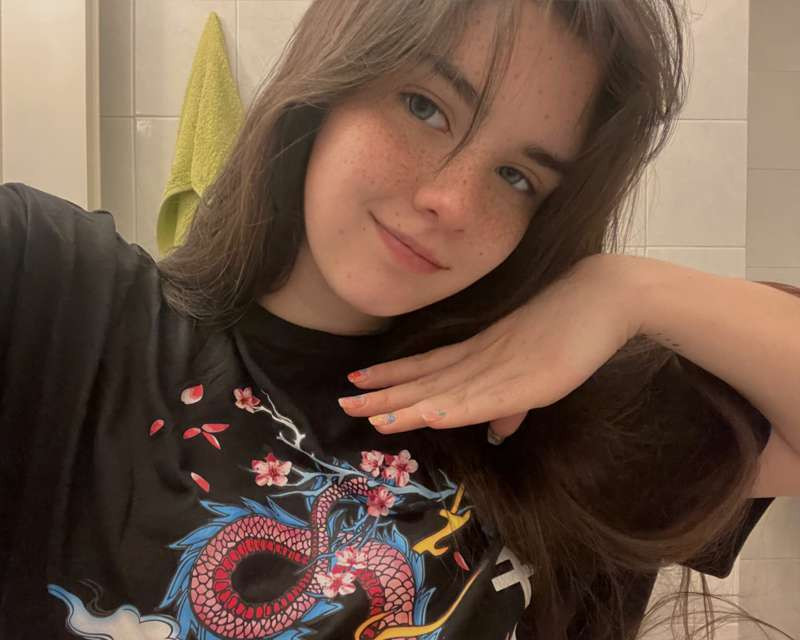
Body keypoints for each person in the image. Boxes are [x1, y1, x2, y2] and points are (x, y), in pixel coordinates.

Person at [1, 1, 799, 638]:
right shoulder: (63, 299)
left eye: (517, 177)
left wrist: (629, 290)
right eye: (425, 107)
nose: (450, 200)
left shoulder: (557, 408)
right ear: (334, 78)